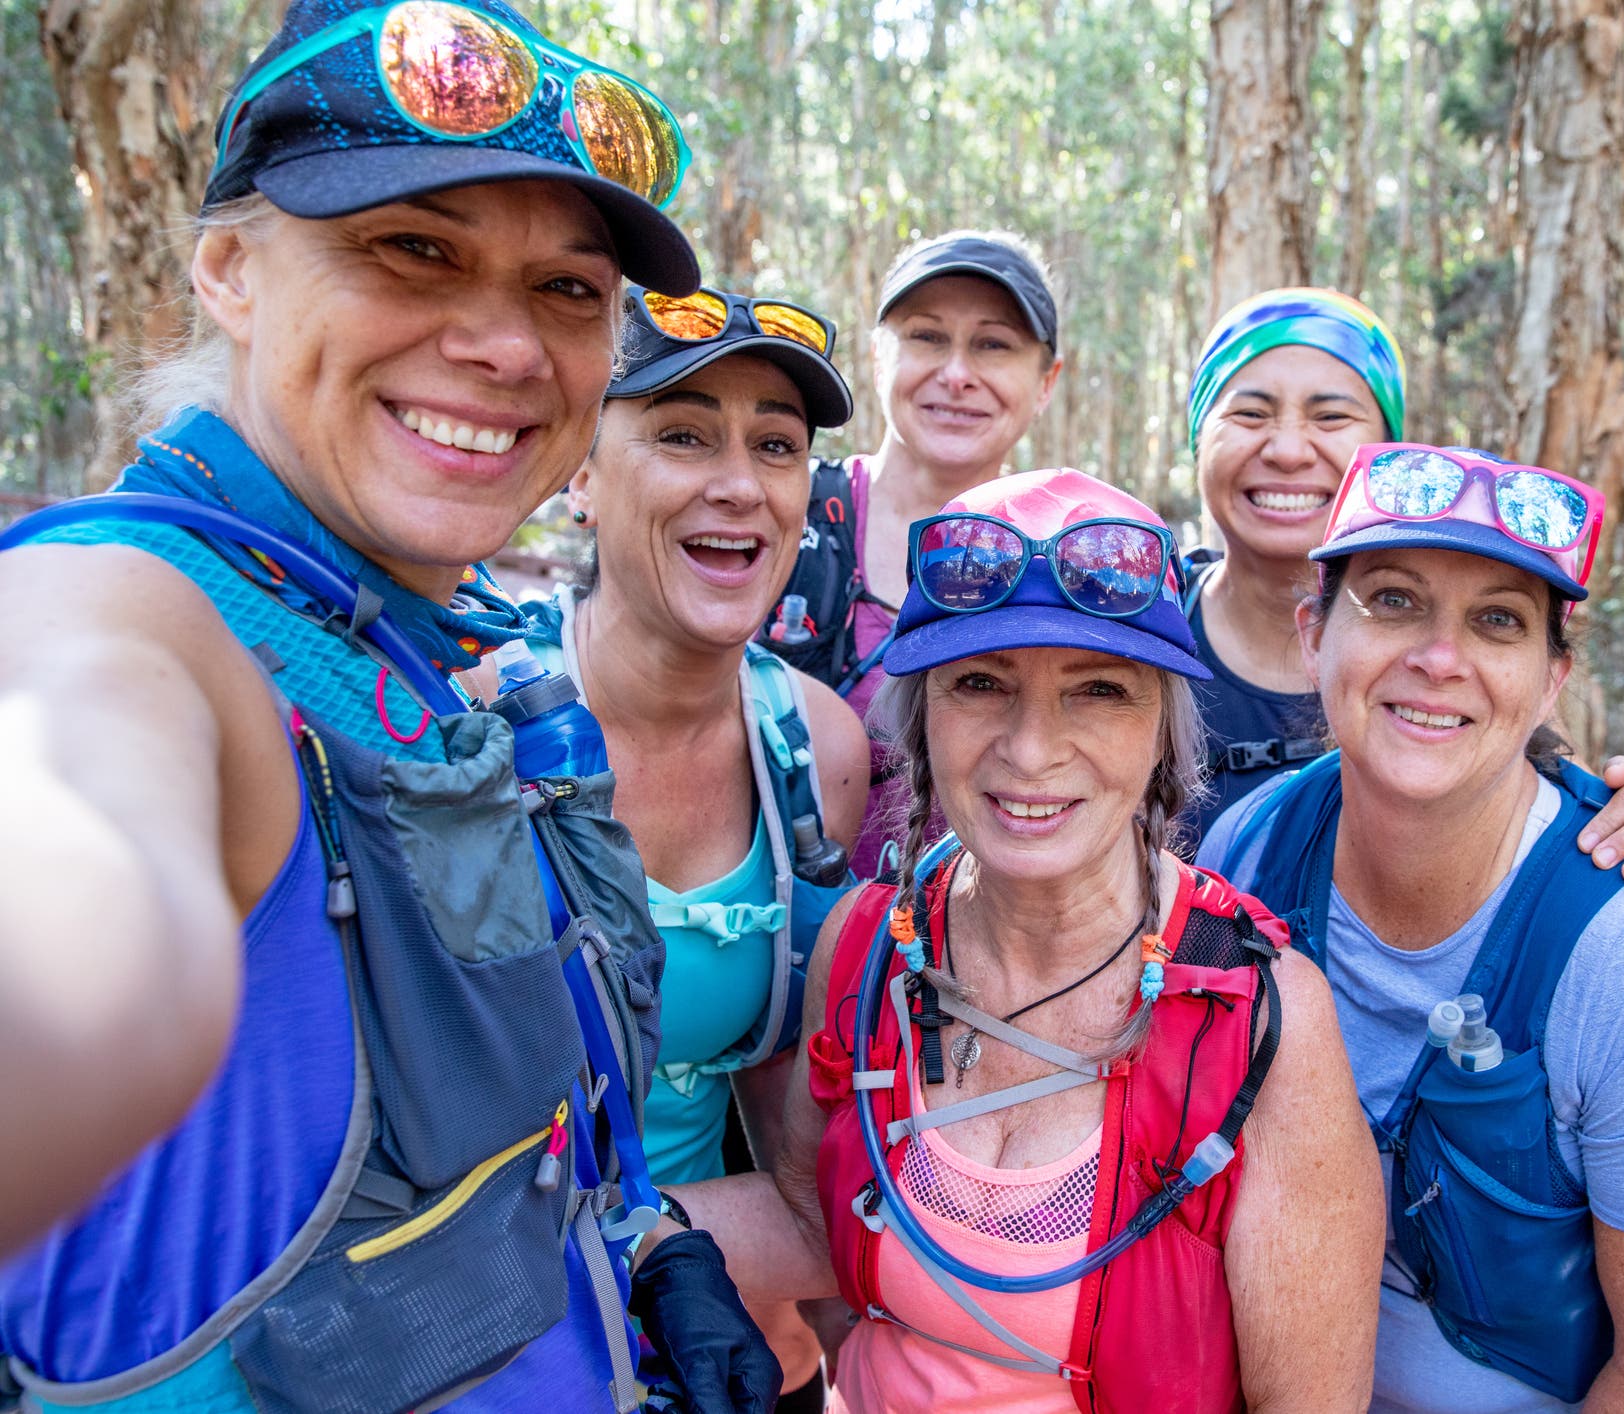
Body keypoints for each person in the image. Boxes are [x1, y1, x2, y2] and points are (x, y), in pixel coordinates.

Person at [0, 2, 776, 1409]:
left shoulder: (431, 634)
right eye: (412, 249)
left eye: (566, 291)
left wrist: (647, 1241)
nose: (503, 345)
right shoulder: (128, 614)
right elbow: (77, 822)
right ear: (230, 268)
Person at [664, 469, 1385, 1412]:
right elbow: (811, 1219)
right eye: (978, 684)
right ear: (920, 720)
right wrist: (609, 1236)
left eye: (1097, 690)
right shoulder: (868, 951)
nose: (1031, 749)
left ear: (1163, 732)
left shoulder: (1260, 1025)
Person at [1197, 442, 1624, 1412]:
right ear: (1313, 633)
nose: (1439, 658)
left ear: (1552, 678)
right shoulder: (1246, 849)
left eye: (1498, 620)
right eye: (1392, 600)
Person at [523, 282, 872, 1407]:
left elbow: (801, 1125)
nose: (738, 483)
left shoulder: (813, 750)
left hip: (734, 1345)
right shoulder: (470, 720)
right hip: (499, 1337)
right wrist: (641, 1253)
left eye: (775, 444)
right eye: (682, 433)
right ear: (579, 471)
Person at [1181, 288, 1624, 898]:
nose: (1288, 450)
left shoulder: (1490, 662)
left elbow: (1603, 853)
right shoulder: (1129, 625)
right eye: (1249, 415)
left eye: (1331, 417)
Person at [759, 230, 1063, 878]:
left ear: (1045, 382)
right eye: (926, 337)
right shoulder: (781, 511)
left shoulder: (1070, 562)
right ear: (876, 358)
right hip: (775, 940)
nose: (956, 375)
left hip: (975, 953)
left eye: (993, 345)